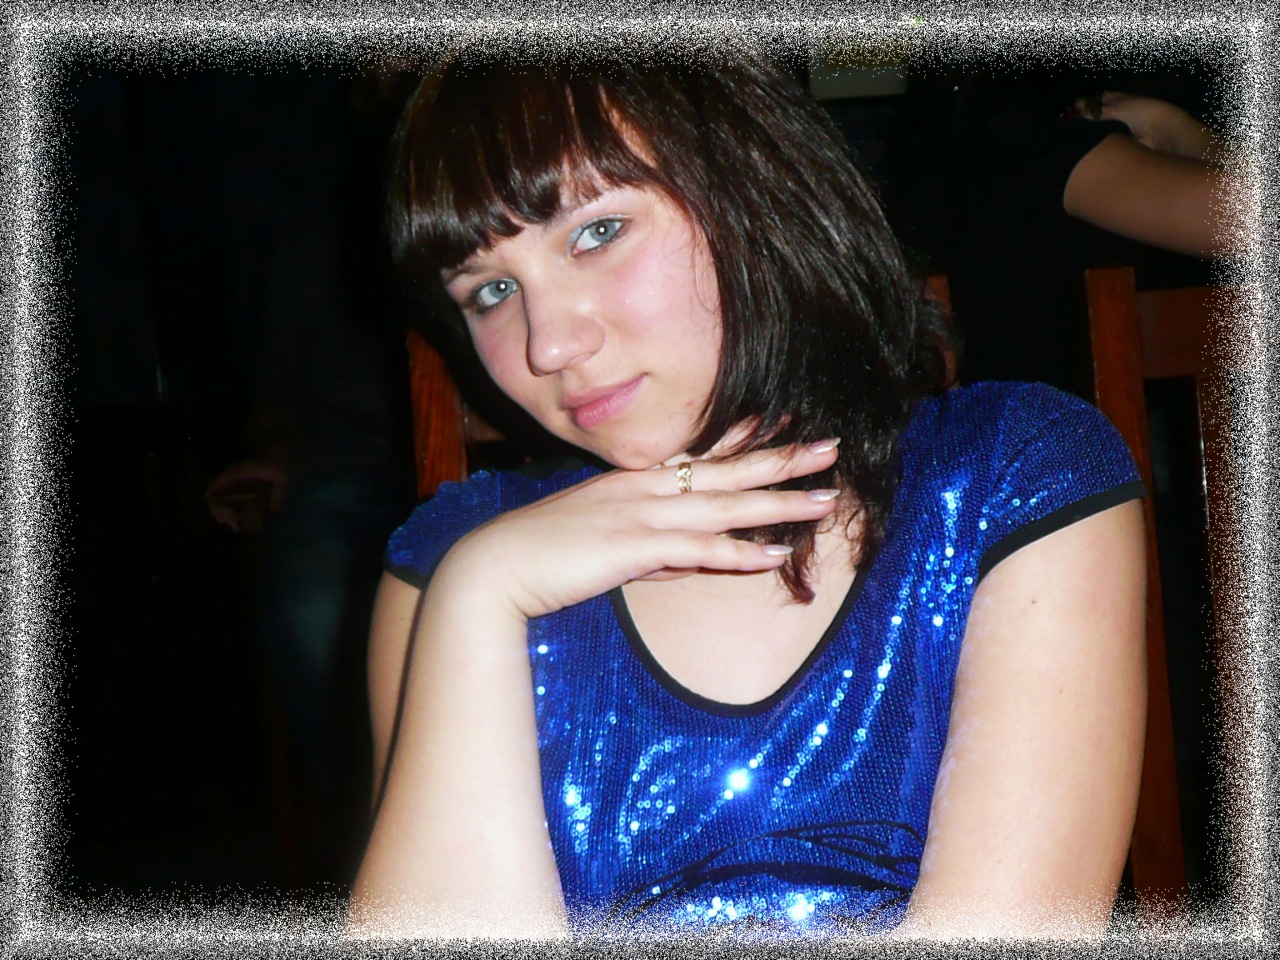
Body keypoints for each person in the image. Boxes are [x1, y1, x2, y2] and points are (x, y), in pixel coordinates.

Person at [347, 49, 1147, 940]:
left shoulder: (1011, 476)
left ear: (751, 184)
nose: (549, 345)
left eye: (596, 233)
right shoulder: (452, 563)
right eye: (492, 290)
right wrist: (480, 592)